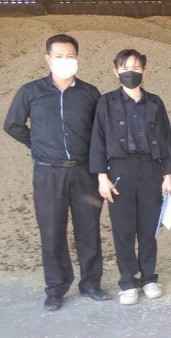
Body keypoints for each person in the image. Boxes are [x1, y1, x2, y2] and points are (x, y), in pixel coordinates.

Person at [4, 34, 108, 310]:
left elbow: (100, 133)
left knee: (88, 229)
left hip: (84, 172)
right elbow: (13, 125)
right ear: (48, 59)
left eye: (70, 56)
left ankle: (91, 283)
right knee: (52, 231)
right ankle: (55, 288)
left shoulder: (89, 93)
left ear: (78, 58)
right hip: (48, 174)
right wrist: (37, 144)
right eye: (59, 56)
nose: (65, 60)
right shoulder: (31, 92)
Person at [90, 49, 171, 305]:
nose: (131, 73)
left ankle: (149, 278)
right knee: (123, 230)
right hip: (119, 172)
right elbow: (97, 139)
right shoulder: (106, 102)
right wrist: (102, 177)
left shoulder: (155, 102)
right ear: (115, 71)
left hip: (151, 171)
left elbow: (166, 139)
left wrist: (168, 174)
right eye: (125, 68)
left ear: (144, 71)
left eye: (136, 68)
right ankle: (128, 281)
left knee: (149, 229)